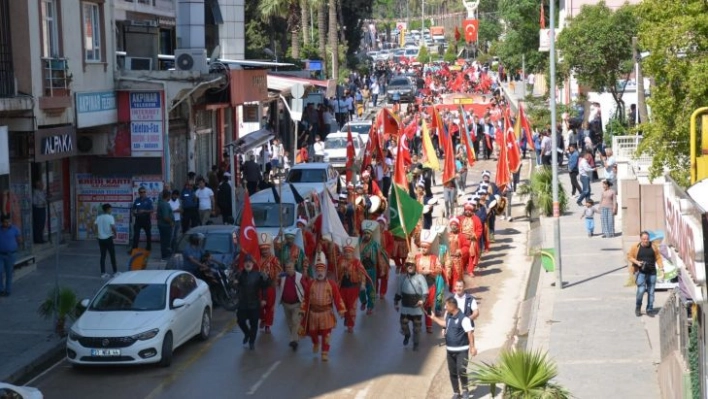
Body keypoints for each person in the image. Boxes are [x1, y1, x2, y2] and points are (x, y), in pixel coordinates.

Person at [299, 255, 346, 361]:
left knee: (326, 334)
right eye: (318, 271)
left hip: (326, 314)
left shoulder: (332, 284)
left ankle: (325, 352)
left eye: (322, 270)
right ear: (315, 272)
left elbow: (337, 298)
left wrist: (341, 310)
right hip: (313, 314)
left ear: (325, 271)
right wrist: (302, 310)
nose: (320, 273)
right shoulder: (310, 284)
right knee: (312, 333)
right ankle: (315, 343)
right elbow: (306, 298)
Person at [429, 297, 477, 399]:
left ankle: (465, 390)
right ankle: (456, 392)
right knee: (452, 372)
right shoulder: (449, 316)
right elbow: (445, 324)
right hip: (450, 350)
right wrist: (434, 318)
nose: (445, 307)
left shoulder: (464, 319)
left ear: (452, 306)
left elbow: (470, 333)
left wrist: (472, 347)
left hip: (462, 350)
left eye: (446, 306)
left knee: (461, 370)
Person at [232, 254, 271, 350]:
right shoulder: (240, 274)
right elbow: (234, 287)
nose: (248, 264)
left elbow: (265, 287)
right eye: (246, 262)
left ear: (253, 264)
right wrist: (234, 283)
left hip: (254, 304)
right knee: (240, 321)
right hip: (243, 304)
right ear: (243, 264)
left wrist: (264, 299)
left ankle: (252, 342)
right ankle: (247, 333)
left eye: (249, 262)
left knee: (254, 324)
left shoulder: (258, 275)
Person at [394, 254, 428, 351]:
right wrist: (396, 302)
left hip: (416, 307)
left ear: (415, 266)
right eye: (408, 264)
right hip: (405, 305)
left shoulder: (420, 277)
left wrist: (422, 300)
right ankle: (407, 335)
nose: (410, 266)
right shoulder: (402, 278)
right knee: (403, 324)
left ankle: (416, 343)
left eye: (412, 265)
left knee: (417, 328)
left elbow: (425, 292)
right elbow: (398, 291)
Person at [627, 231, 664, 317]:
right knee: (641, 290)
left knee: (651, 292)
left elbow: (658, 258)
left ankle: (649, 309)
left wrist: (661, 268)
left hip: (652, 272)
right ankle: (638, 306)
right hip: (641, 273)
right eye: (644, 239)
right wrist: (637, 262)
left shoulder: (653, 247)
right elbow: (629, 256)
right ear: (641, 239)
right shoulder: (635, 247)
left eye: (647, 239)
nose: (646, 240)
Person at [338, 238, 367, 333]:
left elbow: (362, 273)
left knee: (352, 307)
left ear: (352, 253)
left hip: (353, 288)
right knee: (344, 306)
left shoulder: (357, 262)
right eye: (346, 252)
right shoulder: (341, 262)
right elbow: (337, 273)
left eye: (349, 252)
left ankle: (350, 324)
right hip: (343, 288)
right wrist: (340, 269)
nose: (347, 254)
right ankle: (347, 318)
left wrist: (362, 283)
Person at [278, 260, 305, 351]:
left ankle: (293, 340)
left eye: (290, 267)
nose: (288, 269)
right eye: (286, 268)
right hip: (286, 304)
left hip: (297, 304)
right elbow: (275, 284)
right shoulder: (282, 276)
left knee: (295, 321)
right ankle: (295, 338)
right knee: (289, 323)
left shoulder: (299, 276)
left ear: (294, 268)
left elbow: (306, 287)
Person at [257, 233, 282, 334]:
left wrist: (275, 280)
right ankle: (262, 319)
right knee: (259, 305)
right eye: (263, 250)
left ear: (269, 249)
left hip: (270, 285)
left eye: (266, 249)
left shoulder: (274, 259)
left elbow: (279, 270)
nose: (265, 251)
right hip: (259, 286)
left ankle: (267, 324)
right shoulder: (257, 259)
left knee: (269, 306)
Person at [94, 203, 117, 279]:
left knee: (103, 256)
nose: (111, 210)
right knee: (112, 255)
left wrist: (96, 235)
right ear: (107, 209)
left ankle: (103, 273)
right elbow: (113, 227)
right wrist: (115, 234)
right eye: (110, 209)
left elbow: (95, 226)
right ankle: (115, 272)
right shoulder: (110, 217)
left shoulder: (99, 217)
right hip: (108, 238)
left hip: (101, 239)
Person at [0, 215, 21, 296]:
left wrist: (16, 247)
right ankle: (1, 289)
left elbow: (19, 239)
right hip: (1, 254)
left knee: (9, 273)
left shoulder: (14, 229)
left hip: (10, 254)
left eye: (9, 221)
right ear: (2, 222)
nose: (8, 223)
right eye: (6, 222)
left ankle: (8, 290)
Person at [131, 186, 153, 253]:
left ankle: (148, 247)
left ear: (145, 193)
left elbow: (151, 210)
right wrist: (134, 212)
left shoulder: (148, 200)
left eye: (144, 192)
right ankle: (134, 249)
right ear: (139, 193)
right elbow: (133, 208)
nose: (142, 193)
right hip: (138, 219)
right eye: (141, 192)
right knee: (136, 235)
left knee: (148, 234)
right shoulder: (137, 200)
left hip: (146, 219)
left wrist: (144, 211)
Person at [156, 190, 174, 261]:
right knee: (166, 242)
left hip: (162, 225)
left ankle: (164, 256)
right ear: (168, 196)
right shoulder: (165, 204)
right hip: (165, 226)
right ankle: (165, 256)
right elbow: (166, 217)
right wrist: (171, 222)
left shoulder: (161, 203)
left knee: (164, 241)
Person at [32, 180, 47, 244]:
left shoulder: (42, 192)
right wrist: (41, 203)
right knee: (38, 225)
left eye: (42, 185)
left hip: (42, 208)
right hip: (38, 209)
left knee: (42, 225)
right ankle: (37, 239)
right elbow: (34, 202)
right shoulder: (35, 192)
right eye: (41, 185)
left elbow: (45, 198)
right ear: (38, 186)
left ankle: (41, 238)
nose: (42, 186)